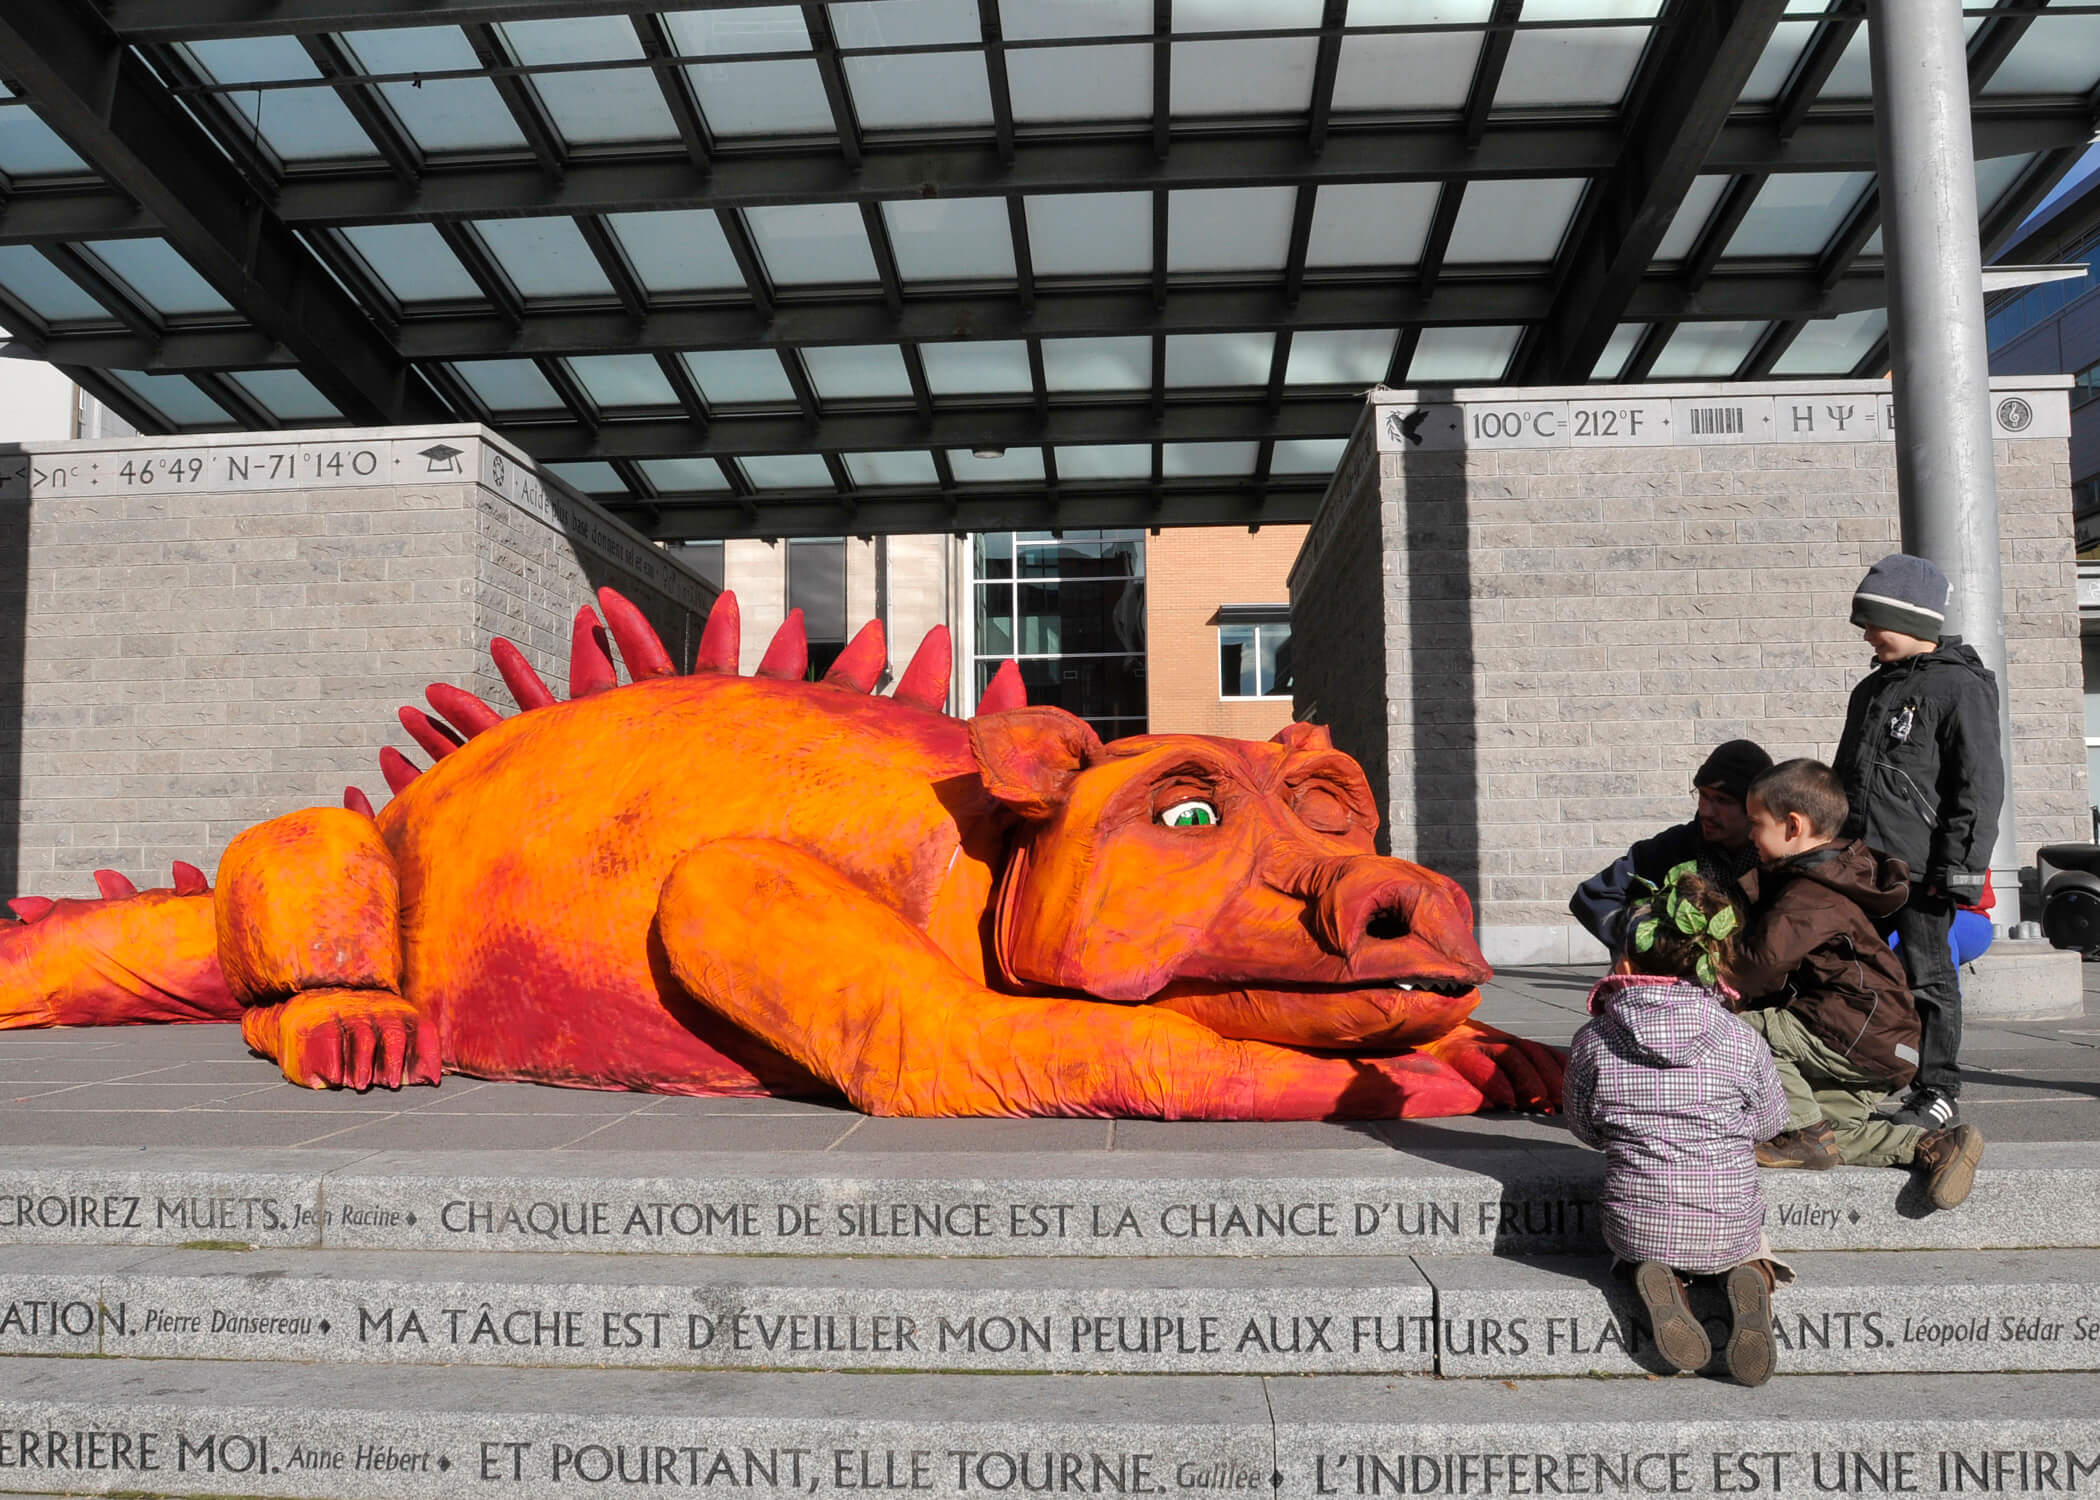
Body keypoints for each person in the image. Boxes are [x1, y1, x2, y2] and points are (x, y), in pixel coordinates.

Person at [1563, 867, 1788, 1387]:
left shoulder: (1595, 1039)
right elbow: (1773, 1119)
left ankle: (1662, 1280)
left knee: (1640, 1236)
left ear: (1624, 960)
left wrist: (1617, 1135)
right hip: (1729, 1215)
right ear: (1712, 960)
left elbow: (1582, 1122)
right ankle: (1751, 1274)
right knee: (1752, 1238)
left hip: (1639, 1219)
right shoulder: (1739, 1037)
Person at [1731, 759, 1983, 1210]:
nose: (1751, 835)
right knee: (1833, 1132)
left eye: (1756, 824)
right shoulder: (1820, 880)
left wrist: (1710, 970)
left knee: (1735, 1031)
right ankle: (1932, 1146)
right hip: (1884, 1045)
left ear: (1793, 825)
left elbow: (1758, 966)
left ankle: (1803, 1134)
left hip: (1853, 1029)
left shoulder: (1810, 891)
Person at [1834, 554, 2004, 1132]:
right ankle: (1857, 1070)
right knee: (1845, 965)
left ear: (1912, 620)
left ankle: (1937, 1088)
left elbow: (1978, 788)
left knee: (1927, 975)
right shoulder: (1870, 691)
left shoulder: (1960, 688)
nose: (1863, 633)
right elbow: (1845, 778)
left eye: (1872, 620)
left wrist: (1958, 871)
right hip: (1860, 864)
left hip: (1920, 867)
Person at [1569, 739, 1774, 954]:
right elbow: (1593, 896)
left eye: (1722, 800)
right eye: (1703, 795)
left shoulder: (1778, 858)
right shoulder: (1674, 846)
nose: (1706, 811)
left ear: (1753, 807)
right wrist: (1647, 940)